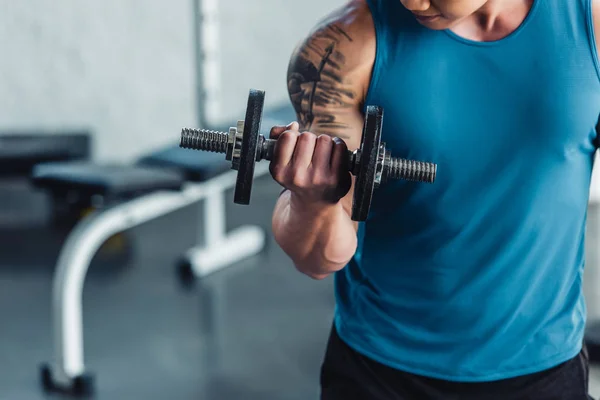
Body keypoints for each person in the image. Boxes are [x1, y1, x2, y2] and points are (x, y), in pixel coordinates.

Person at [270, 0, 600, 398]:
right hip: (380, 373)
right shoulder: (343, 47)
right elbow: (319, 259)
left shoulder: (590, 27)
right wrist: (312, 202)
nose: (412, 2)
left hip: (543, 369)